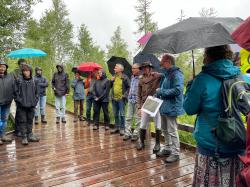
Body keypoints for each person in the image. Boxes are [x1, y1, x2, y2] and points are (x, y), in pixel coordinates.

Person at [184, 45, 245, 187]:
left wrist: (190, 87)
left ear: (208, 56)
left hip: (211, 145)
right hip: (236, 140)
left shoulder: (202, 79)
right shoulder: (240, 76)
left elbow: (189, 108)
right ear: (228, 55)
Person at [155, 54, 184, 163]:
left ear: (168, 61)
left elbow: (178, 90)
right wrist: (158, 94)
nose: (161, 62)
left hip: (172, 107)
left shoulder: (177, 74)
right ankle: (167, 148)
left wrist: (161, 91)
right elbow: (164, 89)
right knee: (164, 129)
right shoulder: (167, 75)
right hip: (164, 106)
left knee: (172, 130)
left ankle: (176, 153)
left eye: (162, 60)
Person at [136, 61, 163, 153]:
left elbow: (166, 75)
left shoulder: (157, 75)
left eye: (147, 67)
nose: (145, 69)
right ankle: (141, 142)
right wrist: (139, 107)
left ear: (150, 68)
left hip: (155, 102)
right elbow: (138, 95)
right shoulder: (140, 79)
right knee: (143, 123)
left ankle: (157, 143)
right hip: (145, 104)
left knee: (157, 124)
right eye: (144, 67)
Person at [14, 64, 40, 145]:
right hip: (22, 106)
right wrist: (19, 101)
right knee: (23, 121)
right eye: (25, 71)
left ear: (30, 72)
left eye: (28, 71)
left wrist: (35, 101)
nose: (26, 72)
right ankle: (24, 137)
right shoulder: (19, 80)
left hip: (31, 105)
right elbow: (15, 93)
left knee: (30, 120)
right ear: (22, 72)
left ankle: (30, 135)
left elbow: (37, 93)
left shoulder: (34, 81)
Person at [110, 64, 130, 136]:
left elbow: (129, 87)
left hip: (121, 99)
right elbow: (110, 86)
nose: (114, 68)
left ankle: (122, 128)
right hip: (114, 98)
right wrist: (111, 81)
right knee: (115, 114)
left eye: (116, 67)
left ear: (121, 69)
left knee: (122, 114)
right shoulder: (114, 77)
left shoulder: (125, 77)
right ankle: (117, 127)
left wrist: (124, 96)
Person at [123, 63, 141, 141]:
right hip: (130, 100)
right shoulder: (132, 77)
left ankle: (136, 134)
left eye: (134, 68)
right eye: (132, 68)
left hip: (137, 101)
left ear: (139, 69)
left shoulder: (141, 78)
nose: (132, 70)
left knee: (138, 118)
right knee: (128, 117)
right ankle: (127, 133)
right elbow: (131, 88)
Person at [0, 61, 14, 145]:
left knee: (4, 119)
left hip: (7, 102)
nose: (2, 68)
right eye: (0, 66)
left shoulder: (9, 77)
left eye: (4, 67)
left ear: (6, 68)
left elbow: (14, 87)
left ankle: (3, 135)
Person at [12, 58, 27, 136]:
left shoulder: (27, 71)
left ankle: (24, 129)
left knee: (25, 114)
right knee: (18, 113)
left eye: (24, 64)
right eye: (21, 64)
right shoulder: (15, 72)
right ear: (19, 65)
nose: (23, 65)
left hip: (26, 96)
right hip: (18, 96)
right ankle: (17, 130)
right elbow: (13, 85)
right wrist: (17, 97)